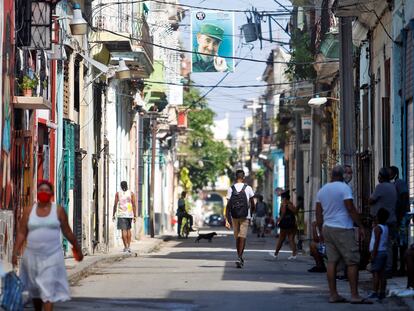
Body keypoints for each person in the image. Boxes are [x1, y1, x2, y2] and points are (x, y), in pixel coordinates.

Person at [12, 180, 84, 311]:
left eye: (46, 190)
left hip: (52, 257)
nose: (43, 193)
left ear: (51, 193)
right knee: (35, 291)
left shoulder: (58, 211)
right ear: (37, 192)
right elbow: (22, 232)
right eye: (41, 190)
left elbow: (67, 231)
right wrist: (15, 252)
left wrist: (77, 247)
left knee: (48, 290)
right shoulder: (29, 211)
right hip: (32, 257)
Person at [316, 165, 371, 304]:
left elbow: (318, 212)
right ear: (342, 175)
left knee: (331, 262)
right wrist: (361, 226)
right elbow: (350, 208)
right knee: (352, 261)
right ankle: (354, 295)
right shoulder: (344, 188)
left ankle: (333, 294)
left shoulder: (322, 190)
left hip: (327, 227)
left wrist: (320, 229)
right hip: (342, 228)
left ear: (331, 175)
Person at [369, 168, 398, 275]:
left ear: (381, 177)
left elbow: (371, 200)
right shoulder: (393, 186)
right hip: (392, 219)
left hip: (382, 221)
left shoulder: (380, 187)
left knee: (379, 243)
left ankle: (382, 267)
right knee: (389, 244)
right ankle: (389, 267)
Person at [225, 169, 255, 268]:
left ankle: (239, 257)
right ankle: (239, 256)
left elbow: (228, 205)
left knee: (237, 237)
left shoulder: (231, 188)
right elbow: (252, 203)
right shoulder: (248, 188)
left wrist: (227, 219)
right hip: (245, 215)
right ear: (243, 177)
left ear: (235, 177)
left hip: (234, 216)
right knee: (243, 236)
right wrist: (252, 214)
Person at [390, 165, 410, 275]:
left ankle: (403, 267)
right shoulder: (394, 184)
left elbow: (404, 196)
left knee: (402, 243)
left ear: (394, 173)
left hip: (401, 217)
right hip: (397, 217)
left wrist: (401, 214)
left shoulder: (400, 183)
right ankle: (396, 267)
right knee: (395, 243)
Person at [368, 208, 390, 300]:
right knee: (382, 273)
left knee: (375, 273)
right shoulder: (386, 227)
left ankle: (374, 292)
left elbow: (376, 242)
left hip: (378, 252)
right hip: (384, 252)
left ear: (378, 217)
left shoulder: (377, 228)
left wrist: (373, 254)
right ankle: (382, 292)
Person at [113, 181, 137, 253]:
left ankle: (125, 247)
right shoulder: (131, 193)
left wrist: (113, 214)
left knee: (123, 230)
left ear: (120, 186)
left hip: (121, 214)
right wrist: (135, 215)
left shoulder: (118, 194)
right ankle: (129, 246)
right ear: (127, 185)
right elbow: (134, 205)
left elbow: (115, 204)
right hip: (129, 214)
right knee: (128, 230)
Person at [273, 191, 297, 260]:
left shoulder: (284, 204)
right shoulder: (290, 204)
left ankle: (276, 254)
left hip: (285, 224)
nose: (281, 199)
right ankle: (294, 254)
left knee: (281, 239)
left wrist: (278, 220)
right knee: (291, 239)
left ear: (284, 198)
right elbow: (295, 211)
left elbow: (283, 214)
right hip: (292, 223)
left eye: (282, 197)